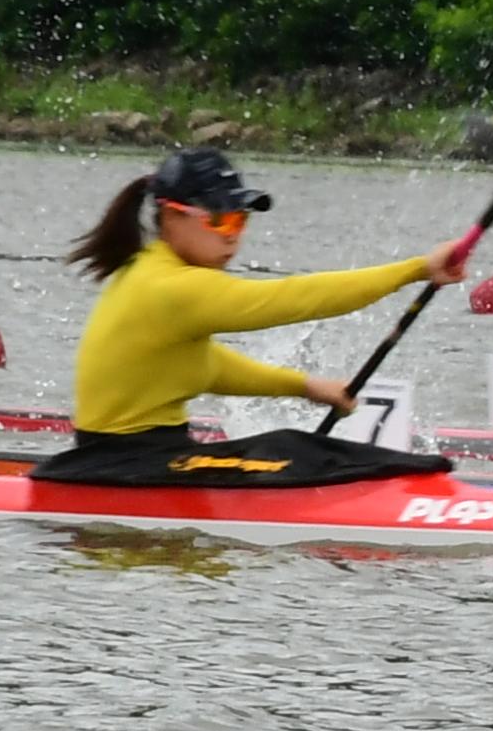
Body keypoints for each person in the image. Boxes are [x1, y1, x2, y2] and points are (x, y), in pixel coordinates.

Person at [30, 147, 470, 487]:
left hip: (123, 461)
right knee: (296, 449)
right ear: (172, 216)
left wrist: (305, 387)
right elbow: (298, 297)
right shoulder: (174, 288)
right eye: (220, 220)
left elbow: (202, 366)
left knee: (295, 448)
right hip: (125, 468)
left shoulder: (147, 271)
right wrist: (417, 269)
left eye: (240, 220)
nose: (233, 237)